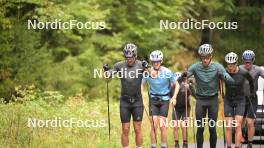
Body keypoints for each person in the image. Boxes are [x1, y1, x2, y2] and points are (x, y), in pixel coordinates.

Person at [179, 43, 234, 148]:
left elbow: (230, 81)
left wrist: (222, 76)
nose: (205, 60)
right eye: (203, 57)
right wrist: (183, 75)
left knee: (212, 128)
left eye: (207, 57)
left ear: (211, 56)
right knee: (200, 128)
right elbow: (182, 78)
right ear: (201, 57)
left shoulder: (218, 67)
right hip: (200, 100)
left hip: (213, 100)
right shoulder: (195, 67)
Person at [103, 43, 148, 148]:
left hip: (137, 101)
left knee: (137, 128)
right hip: (125, 101)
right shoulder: (119, 65)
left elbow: (152, 75)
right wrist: (105, 71)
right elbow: (107, 76)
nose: (129, 60)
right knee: (125, 129)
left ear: (135, 55)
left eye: (131, 57)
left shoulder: (141, 65)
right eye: (127, 57)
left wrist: (147, 68)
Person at [141, 50, 180, 148]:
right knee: (154, 126)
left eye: (157, 61)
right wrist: (141, 95)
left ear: (161, 61)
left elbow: (177, 84)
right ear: (151, 62)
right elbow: (141, 84)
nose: (156, 63)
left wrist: (174, 97)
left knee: (163, 126)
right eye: (153, 62)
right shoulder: (148, 72)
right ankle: (153, 146)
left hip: (165, 100)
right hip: (153, 100)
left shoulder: (167, 72)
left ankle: (163, 146)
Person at [223, 52, 254, 148]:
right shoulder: (224, 72)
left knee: (237, 125)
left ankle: (237, 146)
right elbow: (216, 79)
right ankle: (228, 146)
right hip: (228, 100)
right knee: (228, 126)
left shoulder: (243, 72)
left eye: (232, 65)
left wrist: (252, 93)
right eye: (228, 65)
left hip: (240, 100)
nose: (230, 67)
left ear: (236, 63)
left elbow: (251, 81)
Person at [239, 50, 264, 148]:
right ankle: (239, 141)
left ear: (253, 60)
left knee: (250, 122)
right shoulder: (239, 68)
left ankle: (249, 143)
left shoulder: (258, 69)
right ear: (243, 61)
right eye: (246, 62)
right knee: (240, 122)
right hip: (240, 99)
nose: (247, 64)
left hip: (252, 99)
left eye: (249, 62)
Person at [172, 72, 196, 148]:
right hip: (176, 108)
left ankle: (185, 143)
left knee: (183, 125)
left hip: (186, 108)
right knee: (176, 125)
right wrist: (171, 100)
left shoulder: (186, 85)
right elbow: (169, 97)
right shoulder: (172, 87)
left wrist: (190, 87)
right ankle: (176, 143)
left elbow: (195, 95)